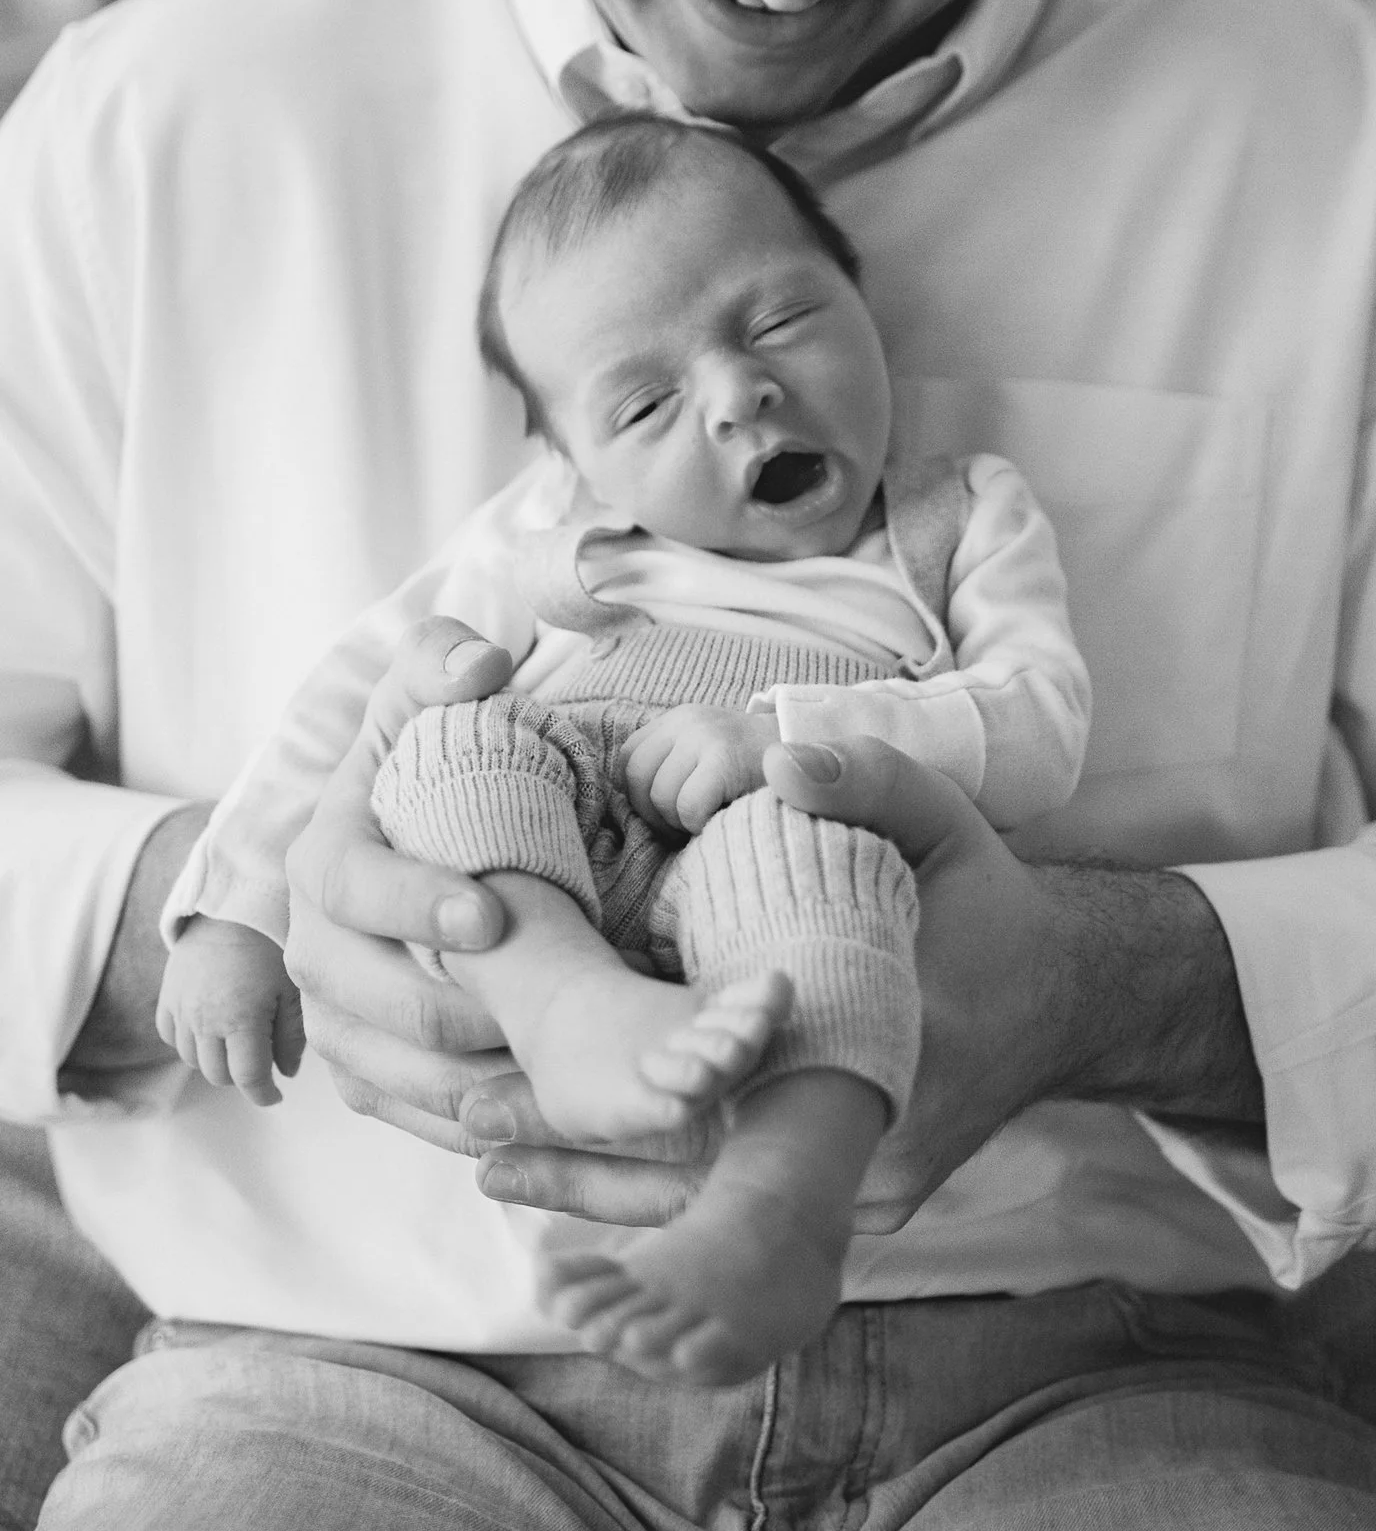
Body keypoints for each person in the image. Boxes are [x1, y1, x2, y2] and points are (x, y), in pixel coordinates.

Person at [0, 0, 1376, 1521]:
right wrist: (242, 912)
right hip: (342, 1376)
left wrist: (1127, 981)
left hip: (1092, 1375)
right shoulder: (149, 127)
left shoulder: (1325, 130)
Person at [156, 112, 1091, 1385]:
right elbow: (353, 700)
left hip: (775, 831)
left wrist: (788, 737)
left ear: (858, 296)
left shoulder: (955, 515)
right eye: (645, 401)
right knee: (449, 741)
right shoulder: (554, 530)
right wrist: (235, 908)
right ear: (573, 455)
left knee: (836, 893)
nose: (737, 393)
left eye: (776, 322)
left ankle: (779, 1202)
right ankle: (569, 1002)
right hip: (561, 833)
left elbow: (1038, 727)